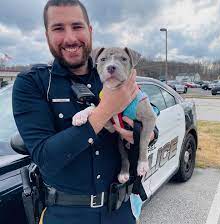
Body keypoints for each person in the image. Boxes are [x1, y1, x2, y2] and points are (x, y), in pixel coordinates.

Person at [12, 1, 156, 223]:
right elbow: (45, 158)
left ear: (89, 31)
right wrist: (105, 110)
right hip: (65, 214)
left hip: (120, 211)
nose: (70, 38)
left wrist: (145, 134)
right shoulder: (33, 83)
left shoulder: (114, 73)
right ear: (47, 34)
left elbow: (147, 121)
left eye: (77, 27)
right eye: (58, 28)